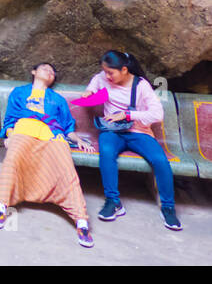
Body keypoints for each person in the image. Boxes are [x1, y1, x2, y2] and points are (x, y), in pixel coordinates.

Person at [72, 50, 180, 231]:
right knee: (106, 153)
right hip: (111, 131)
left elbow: (157, 113)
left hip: (138, 131)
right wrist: (90, 90)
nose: (107, 76)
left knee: (160, 160)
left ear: (124, 69)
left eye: (110, 72)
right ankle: (113, 201)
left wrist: (128, 114)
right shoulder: (103, 77)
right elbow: (97, 79)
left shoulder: (141, 85)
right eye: (105, 72)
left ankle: (168, 207)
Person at [0, 62, 96, 248]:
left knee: (66, 168)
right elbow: (10, 119)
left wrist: (77, 140)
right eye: (45, 68)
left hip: (52, 134)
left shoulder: (57, 99)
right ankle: (1, 207)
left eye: (52, 71)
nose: (49, 72)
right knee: (13, 157)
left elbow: (67, 126)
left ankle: (81, 221)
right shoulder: (20, 93)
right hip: (24, 129)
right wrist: (10, 135)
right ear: (33, 72)